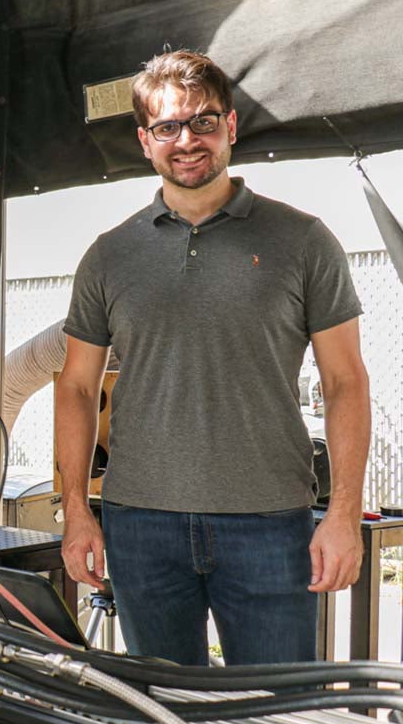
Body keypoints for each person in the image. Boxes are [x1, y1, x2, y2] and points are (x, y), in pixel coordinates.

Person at [56, 50, 370, 666]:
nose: (187, 140)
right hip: (140, 526)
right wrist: (74, 512)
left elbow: (345, 381)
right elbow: (73, 389)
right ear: (145, 141)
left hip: (270, 525)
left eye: (202, 122)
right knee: (169, 722)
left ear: (230, 127)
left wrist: (343, 516)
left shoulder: (303, 241)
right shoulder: (109, 256)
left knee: (280, 718)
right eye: (168, 127)